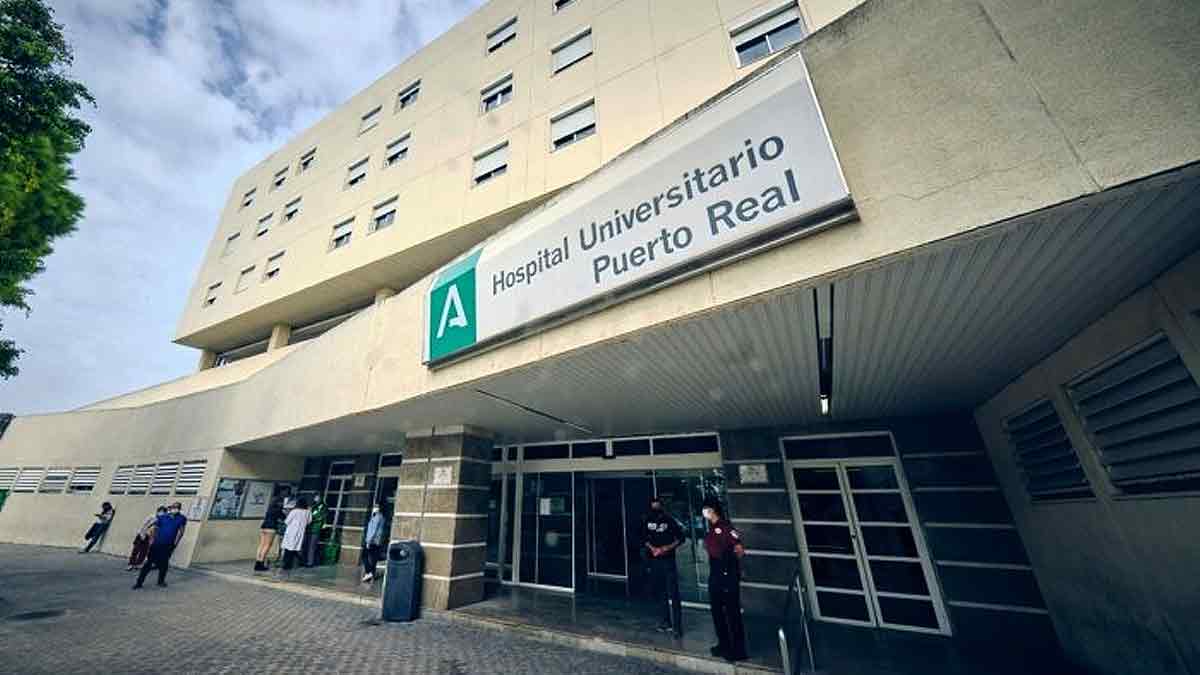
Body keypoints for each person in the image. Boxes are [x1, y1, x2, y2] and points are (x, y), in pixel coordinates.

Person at [702, 499, 747, 662]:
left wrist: (730, 564)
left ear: (713, 510)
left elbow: (740, 550)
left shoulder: (727, 527)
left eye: (706, 508)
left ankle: (738, 649)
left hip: (727, 573)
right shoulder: (711, 528)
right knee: (717, 611)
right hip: (715, 573)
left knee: (732, 612)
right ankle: (724, 644)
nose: (704, 512)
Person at [642, 495, 684, 637]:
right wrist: (653, 548)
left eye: (657, 506)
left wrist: (666, 548)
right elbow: (643, 537)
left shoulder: (670, 521)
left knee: (674, 593)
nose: (655, 509)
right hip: (654, 561)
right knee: (661, 592)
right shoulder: (647, 520)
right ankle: (665, 621)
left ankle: (678, 627)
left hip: (668, 561)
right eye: (653, 506)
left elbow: (680, 538)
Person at [133, 502, 187, 589]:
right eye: (173, 507)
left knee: (164, 564)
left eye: (177, 507)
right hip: (156, 544)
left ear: (179, 509)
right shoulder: (162, 517)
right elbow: (154, 528)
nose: (175, 509)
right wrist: (151, 540)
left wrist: (175, 544)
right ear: (170, 508)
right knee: (148, 563)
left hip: (168, 545)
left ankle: (160, 581)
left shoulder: (182, 518)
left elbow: (181, 532)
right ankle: (139, 583)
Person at [127, 505, 166, 571]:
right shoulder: (152, 516)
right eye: (161, 512)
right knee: (136, 550)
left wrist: (153, 538)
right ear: (158, 511)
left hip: (149, 536)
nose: (162, 514)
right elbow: (144, 525)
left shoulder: (161, 520)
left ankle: (138, 564)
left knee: (144, 551)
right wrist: (142, 534)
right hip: (142, 534)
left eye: (164, 513)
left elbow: (156, 530)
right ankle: (131, 564)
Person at [280, 496, 311, 572]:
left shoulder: (294, 511)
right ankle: (295, 563)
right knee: (295, 548)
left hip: (291, 531)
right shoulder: (308, 512)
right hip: (300, 532)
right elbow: (309, 522)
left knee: (288, 548)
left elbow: (287, 521)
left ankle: (286, 565)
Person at [255, 497, 284, 572]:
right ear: (279, 503)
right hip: (271, 528)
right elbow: (283, 517)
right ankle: (261, 563)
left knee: (261, 545)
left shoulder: (269, 509)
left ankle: (257, 562)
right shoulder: (278, 509)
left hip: (263, 526)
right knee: (267, 545)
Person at [361, 501, 387, 583]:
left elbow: (374, 530)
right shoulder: (381, 517)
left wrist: (368, 541)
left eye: (376, 506)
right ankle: (371, 574)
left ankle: (369, 572)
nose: (374, 508)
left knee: (364, 555)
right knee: (374, 558)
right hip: (377, 541)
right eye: (374, 506)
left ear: (379, 508)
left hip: (373, 541)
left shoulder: (377, 517)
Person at [303, 494, 328, 567]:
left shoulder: (324, 507)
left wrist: (313, 518)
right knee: (306, 545)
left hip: (316, 528)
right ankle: (304, 560)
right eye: (315, 497)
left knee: (312, 546)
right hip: (309, 528)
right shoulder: (313, 506)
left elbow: (321, 517)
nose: (316, 499)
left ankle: (310, 562)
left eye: (318, 497)